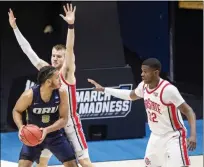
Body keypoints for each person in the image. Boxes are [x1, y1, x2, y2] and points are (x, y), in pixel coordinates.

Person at [8, 4, 94, 167]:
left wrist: (70, 25)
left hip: (70, 122)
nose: (55, 59)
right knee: (42, 162)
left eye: (59, 57)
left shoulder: (67, 72)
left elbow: (70, 48)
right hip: (54, 123)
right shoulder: (47, 72)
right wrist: (15, 28)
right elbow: (28, 51)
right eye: (53, 56)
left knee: (83, 162)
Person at [88, 58, 197, 167]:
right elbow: (129, 95)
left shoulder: (168, 90)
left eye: (145, 71)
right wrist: (104, 90)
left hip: (173, 136)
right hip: (156, 136)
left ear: (156, 73)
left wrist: (193, 135)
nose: (142, 74)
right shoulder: (144, 86)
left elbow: (189, 111)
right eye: (141, 71)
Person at [13, 66, 78, 167]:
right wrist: (20, 127)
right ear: (48, 82)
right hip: (33, 135)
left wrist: (46, 130)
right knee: (23, 165)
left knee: (72, 165)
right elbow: (16, 110)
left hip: (55, 135)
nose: (60, 79)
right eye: (57, 78)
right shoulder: (29, 95)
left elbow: (64, 119)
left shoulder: (62, 93)